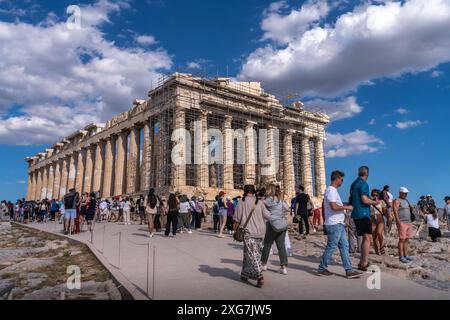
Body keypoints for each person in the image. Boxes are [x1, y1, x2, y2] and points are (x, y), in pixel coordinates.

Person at [318, 170, 361, 278]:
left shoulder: (333, 191)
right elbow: (334, 207)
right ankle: (322, 268)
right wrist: (347, 207)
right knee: (332, 246)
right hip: (334, 224)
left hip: (338, 223)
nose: (342, 182)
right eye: (341, 179)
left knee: (344, 246)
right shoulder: (331, 191)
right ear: (337, 179)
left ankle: (349, 271)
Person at [233, 185, 271, 288]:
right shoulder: (260, 202)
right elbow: (268, 216)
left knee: (252, 255)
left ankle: (259, 276)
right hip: (261, 232)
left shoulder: (241, 202)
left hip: (248, 232)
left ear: (244, 191)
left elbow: (236, 219)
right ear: (254, 192)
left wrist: (235, 230)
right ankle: (244, 274)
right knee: (249, 253)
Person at [349, 166, 380, 271]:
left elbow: (353, 197)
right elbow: (364, 199)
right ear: (367, 174)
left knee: (364, 238)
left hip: (355, 213)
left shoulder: (353, 184)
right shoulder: (364, 184)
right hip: (363, 213)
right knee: (367, 238)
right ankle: (363, 263)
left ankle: (362, 262)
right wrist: (375, 202)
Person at [261, 184, 289, 275]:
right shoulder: (280, 199)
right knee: (281, 246)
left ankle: (263, 264)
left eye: (267, 190)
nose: (266, 191)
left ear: (270, 190)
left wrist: (262, 197)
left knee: (267, 244)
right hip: (282, 224)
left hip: (272, 223)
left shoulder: (269, 199)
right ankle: (283, 267)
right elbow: (286, 208)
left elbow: (260, 204)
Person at [393, 187, 414, 263]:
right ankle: (401, 256)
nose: (406, 194)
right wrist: (398, 221)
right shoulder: (397, 201)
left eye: (406, 193)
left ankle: (406, 255)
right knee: (402, 239)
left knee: (407, 239)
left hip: (409, 222)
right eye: (405, 193)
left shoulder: (406, 200)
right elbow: (395, 211)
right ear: (400, 193)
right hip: (402, 222)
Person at [370, 189, 386, 255]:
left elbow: (384, 211)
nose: (375, 196)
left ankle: (382, 246)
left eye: (376, 195)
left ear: (379, 195)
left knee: (379, 232)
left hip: (380, 218)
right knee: (374, 237)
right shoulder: (369, 202)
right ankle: (377, 251)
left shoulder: (381, 202)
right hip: (372, 219)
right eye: (373, 195)